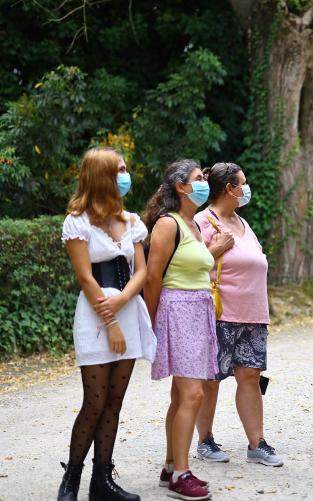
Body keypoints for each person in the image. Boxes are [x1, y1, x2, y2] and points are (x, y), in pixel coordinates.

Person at [58, 147, 156, 501]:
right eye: (120, 169)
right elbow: (86, 279)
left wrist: (123, 300)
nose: (126, 175)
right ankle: (71, 481)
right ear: (101, 176)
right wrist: (112, 320)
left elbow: (142, 271)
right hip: (96, 317)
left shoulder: (132, 221)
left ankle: (102, 482)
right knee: (95, 402)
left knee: (115, 401)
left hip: (127, 310)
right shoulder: (77, 222)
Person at [193, 162, 283, 467]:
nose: (246, 189)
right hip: (219, 313)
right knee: (211, 380)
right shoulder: (202, 221)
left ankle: (257, 443)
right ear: (230, 189)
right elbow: (190, 268)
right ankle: (205, 440)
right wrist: (215, 250)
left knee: (251, 376)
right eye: (242, 183)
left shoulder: (244, 223)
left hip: (253, 315)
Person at [143, 159, 216, 501]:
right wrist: (153, 322)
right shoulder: (167, 225)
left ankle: (171, 464)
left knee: (180, 395)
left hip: (198, 311)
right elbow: (152, 277)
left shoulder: (194, 225)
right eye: (199, 178)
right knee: (193, 395)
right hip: (177, 310)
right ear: (181, 187)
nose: (205, 183)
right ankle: (181, 476)